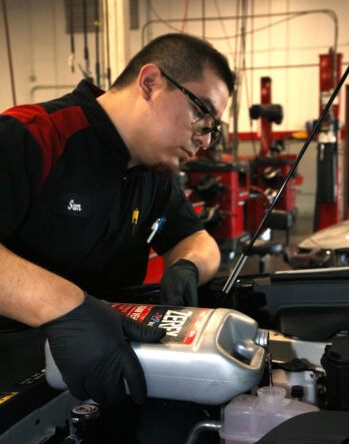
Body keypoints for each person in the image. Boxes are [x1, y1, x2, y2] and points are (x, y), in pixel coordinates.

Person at [0, 33, 235, 406]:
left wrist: (187, 266)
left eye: (212, 127)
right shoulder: (32, 136)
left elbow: (196, 239)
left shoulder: (151, 172)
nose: (204, 139)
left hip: (106, 380)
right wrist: (65, 306)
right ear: (150, 83)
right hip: (16, 389)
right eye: (200, 114)